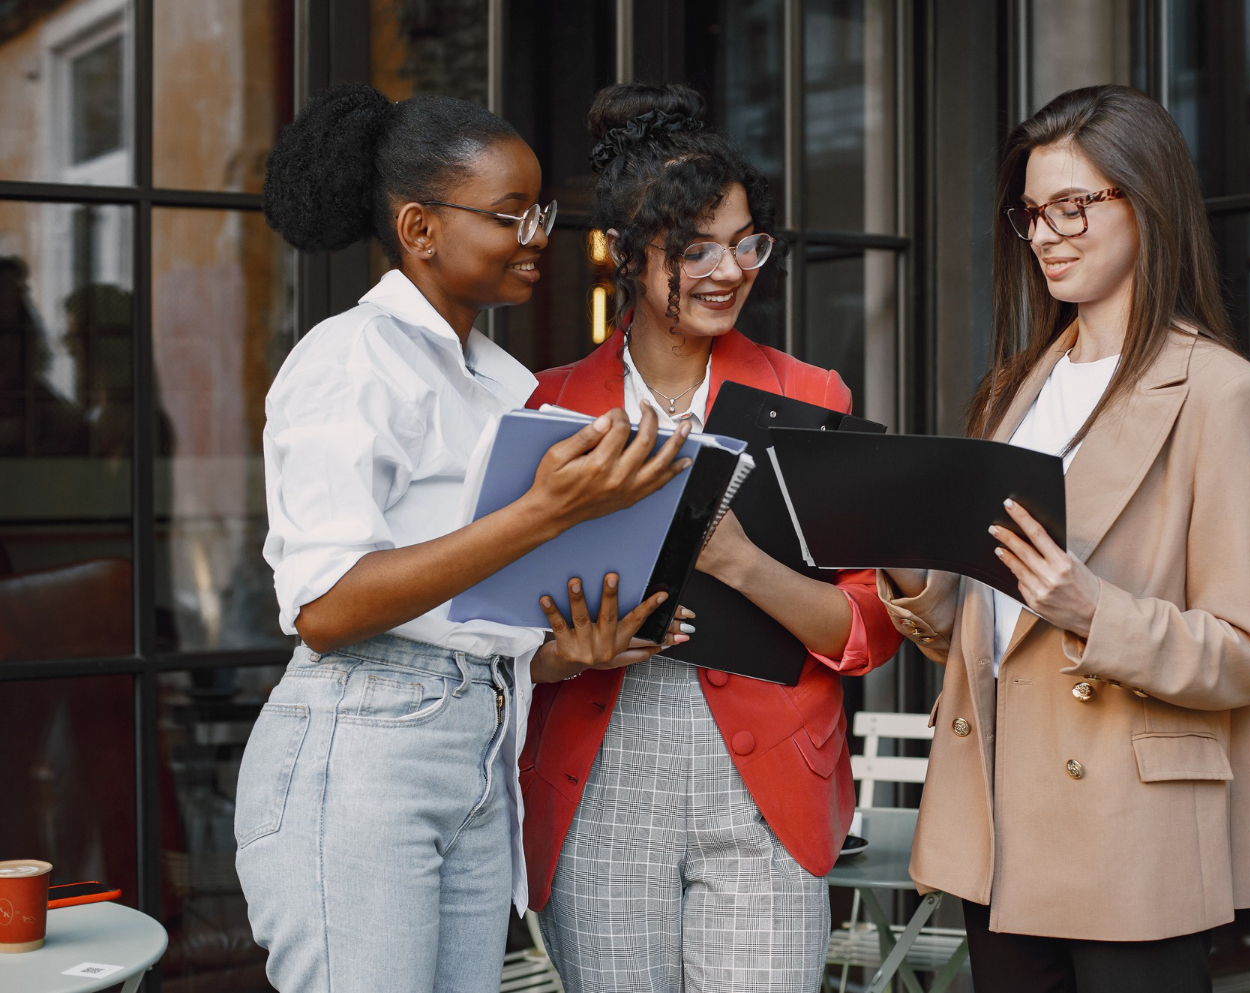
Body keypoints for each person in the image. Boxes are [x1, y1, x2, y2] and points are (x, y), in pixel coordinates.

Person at [234, 82, 693, 993]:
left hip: (479, 740)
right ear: (420, 229)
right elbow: (326, 609)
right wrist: (547, 511)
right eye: (511, 216)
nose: (539, 239)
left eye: (542, 213)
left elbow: (468, 607)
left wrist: (560, 654)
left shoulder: (500, 381)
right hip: (360, 750)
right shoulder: (348, 360)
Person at [880, 84, 1250, 993]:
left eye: (1075, 205)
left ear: (1147, 203)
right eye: (1034, 213)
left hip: (1128, 833)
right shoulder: (1013, 393)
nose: (1050, 234)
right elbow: (983, 629)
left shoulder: (1222, 395)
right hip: (998, 820)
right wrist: (903, 555)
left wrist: (1093, 610)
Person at [519, 82, 904, 993]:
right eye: (693, 248)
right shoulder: (546, 406)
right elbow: (500, 641)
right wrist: (567, 655)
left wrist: (739, 561)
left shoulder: (813, 398)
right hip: (600, 778)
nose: (728, 269)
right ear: (626, 253)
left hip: (770, 782)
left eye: (745, 243)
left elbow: (867, 628)